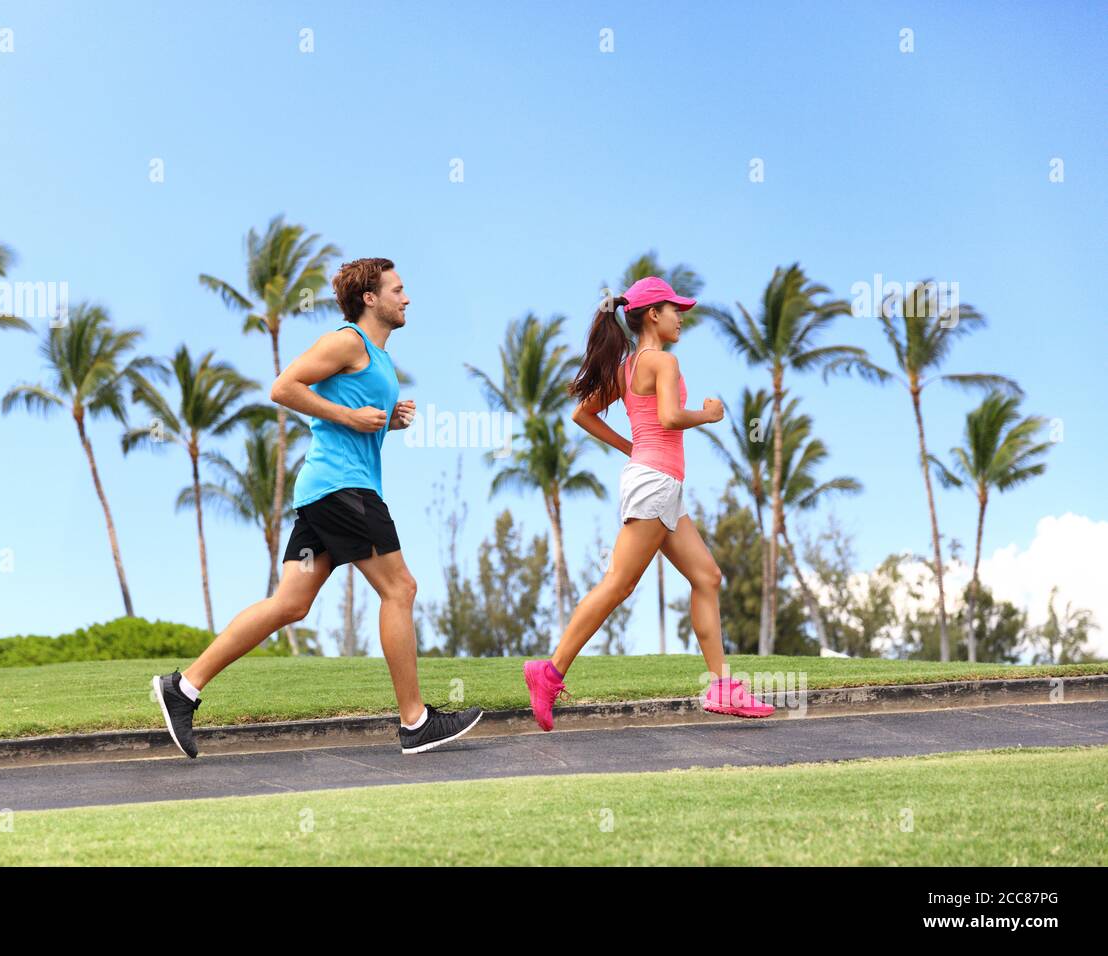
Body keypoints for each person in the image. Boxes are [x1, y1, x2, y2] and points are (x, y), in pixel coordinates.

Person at [153, 257, 482, 757]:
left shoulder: (379, 356)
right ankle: (415, 721)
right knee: (401, 588)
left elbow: (349, 412)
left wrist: (387, 421)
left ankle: (184, 687)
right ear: (370, 298)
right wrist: (350, 416)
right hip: (344, 491)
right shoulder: (347, 340)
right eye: (397, 289)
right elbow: (283, 386)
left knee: (291, 603)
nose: (406, 297)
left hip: (324, 494)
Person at [522, 275, 774, 729]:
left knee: (707, 576)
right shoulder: (662, 362)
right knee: (618, 583)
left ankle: (721, 686)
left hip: (659, 483)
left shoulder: (627, 367)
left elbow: (582, 414)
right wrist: (711, 415)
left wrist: (631, 448)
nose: (681, 317)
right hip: (655, 483)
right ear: (653, 314)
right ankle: (549, 672)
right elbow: (669, 417)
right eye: (675, 309)